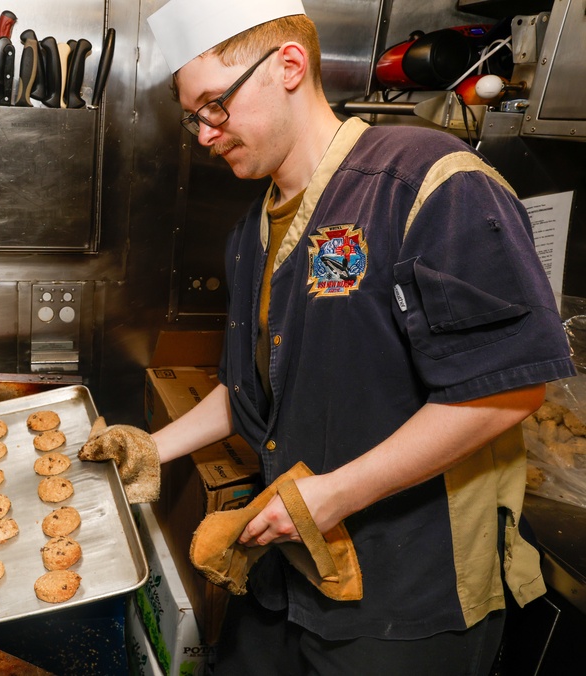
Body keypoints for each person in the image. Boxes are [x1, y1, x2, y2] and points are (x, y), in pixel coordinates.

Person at [136, 1, 576, 673]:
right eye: (193, 116)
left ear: (288, 65)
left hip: (409, 597)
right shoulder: (252, 229)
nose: (204, 134)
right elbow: (250, 387)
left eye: (214, 107)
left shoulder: (426, 179)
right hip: (288, 573)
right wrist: (150, 450)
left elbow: (508, 387)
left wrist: (335, 495)